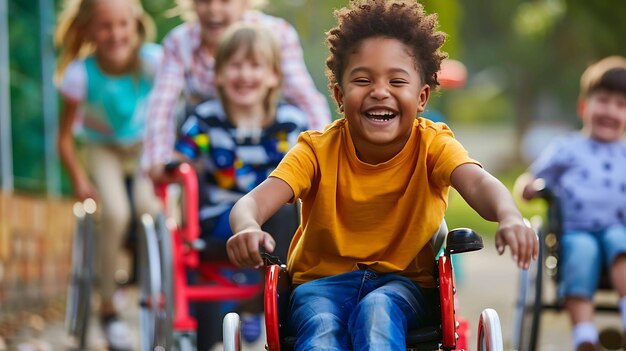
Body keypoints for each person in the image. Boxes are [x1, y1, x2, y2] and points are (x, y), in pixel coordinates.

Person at [226, 1, 538, 350]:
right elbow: (252, 202)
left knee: (378, 309)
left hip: (404, 285)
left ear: (421, 97)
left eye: (396, 80)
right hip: (318, 285)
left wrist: (509, 216)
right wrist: (248, 227)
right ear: (340, 96)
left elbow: (478, 182)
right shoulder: (315, 150)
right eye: (362, 79)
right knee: (322, 324)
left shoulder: (432, 144)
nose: (379, 90)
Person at [174, 22, 307, 348]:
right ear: (218, 75)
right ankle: (215, 327)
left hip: (275, 218)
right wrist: (177, 166)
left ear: (274, 76)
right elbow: (181, 160)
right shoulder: (206, 119)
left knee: (289, 214)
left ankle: (270, 304)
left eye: (255, 65)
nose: (244, 74)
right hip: (220, 218)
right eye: (234, 65)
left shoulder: (290, 122)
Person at [54, 0, 161, 348]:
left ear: (135, 25)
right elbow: (65, 138)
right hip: (103, 148)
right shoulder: (79, 75)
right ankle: (107, 306)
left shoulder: (152, 62)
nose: (116, 34)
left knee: (150, 208)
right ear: (88, 30)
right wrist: (79, 179)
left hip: (144, 145)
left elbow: (169, 109)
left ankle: (152, 284)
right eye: (105, 26)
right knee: (115, 212)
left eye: (122, 25)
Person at [142, 0, 331, 183]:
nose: (213, 9)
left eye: (225, 1)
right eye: (204, 1)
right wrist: (160, 159)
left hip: (265, 132)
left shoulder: (277, 34)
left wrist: (324, 154)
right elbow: (162, 106)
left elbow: (305, 98)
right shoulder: (180, 42)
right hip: (212, 141)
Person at [516, 56, 626, 351]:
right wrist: (528, 186)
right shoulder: (567, 148)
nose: (610, 111)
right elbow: (533, 176)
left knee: (621, 243)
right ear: (584, 106)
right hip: (576, 232)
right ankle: (585, 337)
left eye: (620, 105)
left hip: (619, 231)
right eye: (603, 101)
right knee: (582, 250)